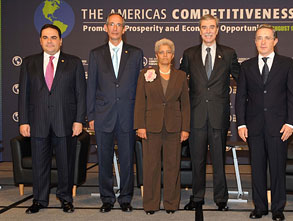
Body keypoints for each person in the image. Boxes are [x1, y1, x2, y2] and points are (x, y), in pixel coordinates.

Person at [18, 24, 86, 214]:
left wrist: (79, 120)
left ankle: (65, 199)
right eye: (46, 37)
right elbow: (23, 94)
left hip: (65, 122)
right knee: (40, 164)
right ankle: (39, 200)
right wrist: (23, 121)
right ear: (40, 40)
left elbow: (81, 93)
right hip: (37, 122)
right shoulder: (28, 63)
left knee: (65, 163)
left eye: (54, 37)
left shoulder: (73, 62)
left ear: (61, 41)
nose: (50, 41)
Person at [235, 24, 293, 221]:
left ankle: (278, 208)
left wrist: (290, 123)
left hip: (279, 128)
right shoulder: (246, 66)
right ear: (255, 42)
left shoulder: (287, 64)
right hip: (254, 127)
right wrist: (241, 124)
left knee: (278, 169)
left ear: (275, 41)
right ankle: (260, 207)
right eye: (259, 38)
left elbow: (292, 96)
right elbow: (240, 97)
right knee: (257, 169)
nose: (262, 41)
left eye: (267, 38)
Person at [180, 14, 240, 211]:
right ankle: (197, 197)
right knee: (197, 161)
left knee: (219, 161)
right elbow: (179, 84)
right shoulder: (189, 54)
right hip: (196, 117)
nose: (208, 30)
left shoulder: (229, 53)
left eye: (211, 27)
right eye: (204, 27)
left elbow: (243, 81)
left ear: (217, 30)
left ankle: (221, 199)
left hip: (218, 116)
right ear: (199, 30)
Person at [87, 13, 143, 213]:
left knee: (128, 159)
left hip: (128, 116)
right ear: (105, 27)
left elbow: (140, 88)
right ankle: (107, 198)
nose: (115, 28)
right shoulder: (95, 54)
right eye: (112, 24)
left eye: (119, 25)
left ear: (124, 29)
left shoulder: (136, 53)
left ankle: (126, 198)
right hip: (103, 116)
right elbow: (91, 87)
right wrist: (91, 116)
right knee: (103, 160)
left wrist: (140, 117)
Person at [134, 38, 190, 215]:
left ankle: (171, 203)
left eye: (168, 52)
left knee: (173, 166)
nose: (165, 55)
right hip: (151, 127)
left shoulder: (180, 76)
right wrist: (140, 126)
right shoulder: (145, 74)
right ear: (156, 55)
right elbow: (140, 102)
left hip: (174, 128)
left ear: (173, 56)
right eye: (161, 52)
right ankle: (150, 204)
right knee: (151, 167)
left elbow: (186, 105)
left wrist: (185, 128)